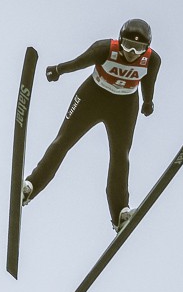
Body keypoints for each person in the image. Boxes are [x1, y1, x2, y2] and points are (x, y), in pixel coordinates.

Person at [22, 18, 160, 233]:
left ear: (147, 48)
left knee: (120, 156)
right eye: (127, 45)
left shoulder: (152, 60)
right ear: (119, 40)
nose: (132, 53)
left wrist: (148, 101)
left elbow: (148, 82)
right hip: (92, 97)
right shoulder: (104, 49)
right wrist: (58, 70)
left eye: (139, 48)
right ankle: (30, 187)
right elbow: (80, 62)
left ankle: (120, 214)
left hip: (124, 107)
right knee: (63, 141)